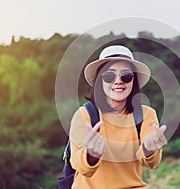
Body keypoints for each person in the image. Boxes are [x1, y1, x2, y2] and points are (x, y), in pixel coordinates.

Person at [69, 45, 167, 188]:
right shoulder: (85, 115)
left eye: (126, 76)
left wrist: (148, 148)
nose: (118, 81)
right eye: (109, 76)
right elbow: (79, 165)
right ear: (99, 81)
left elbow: (152, 163)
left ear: (133, 81)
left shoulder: (146, 114)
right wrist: (91, 155)